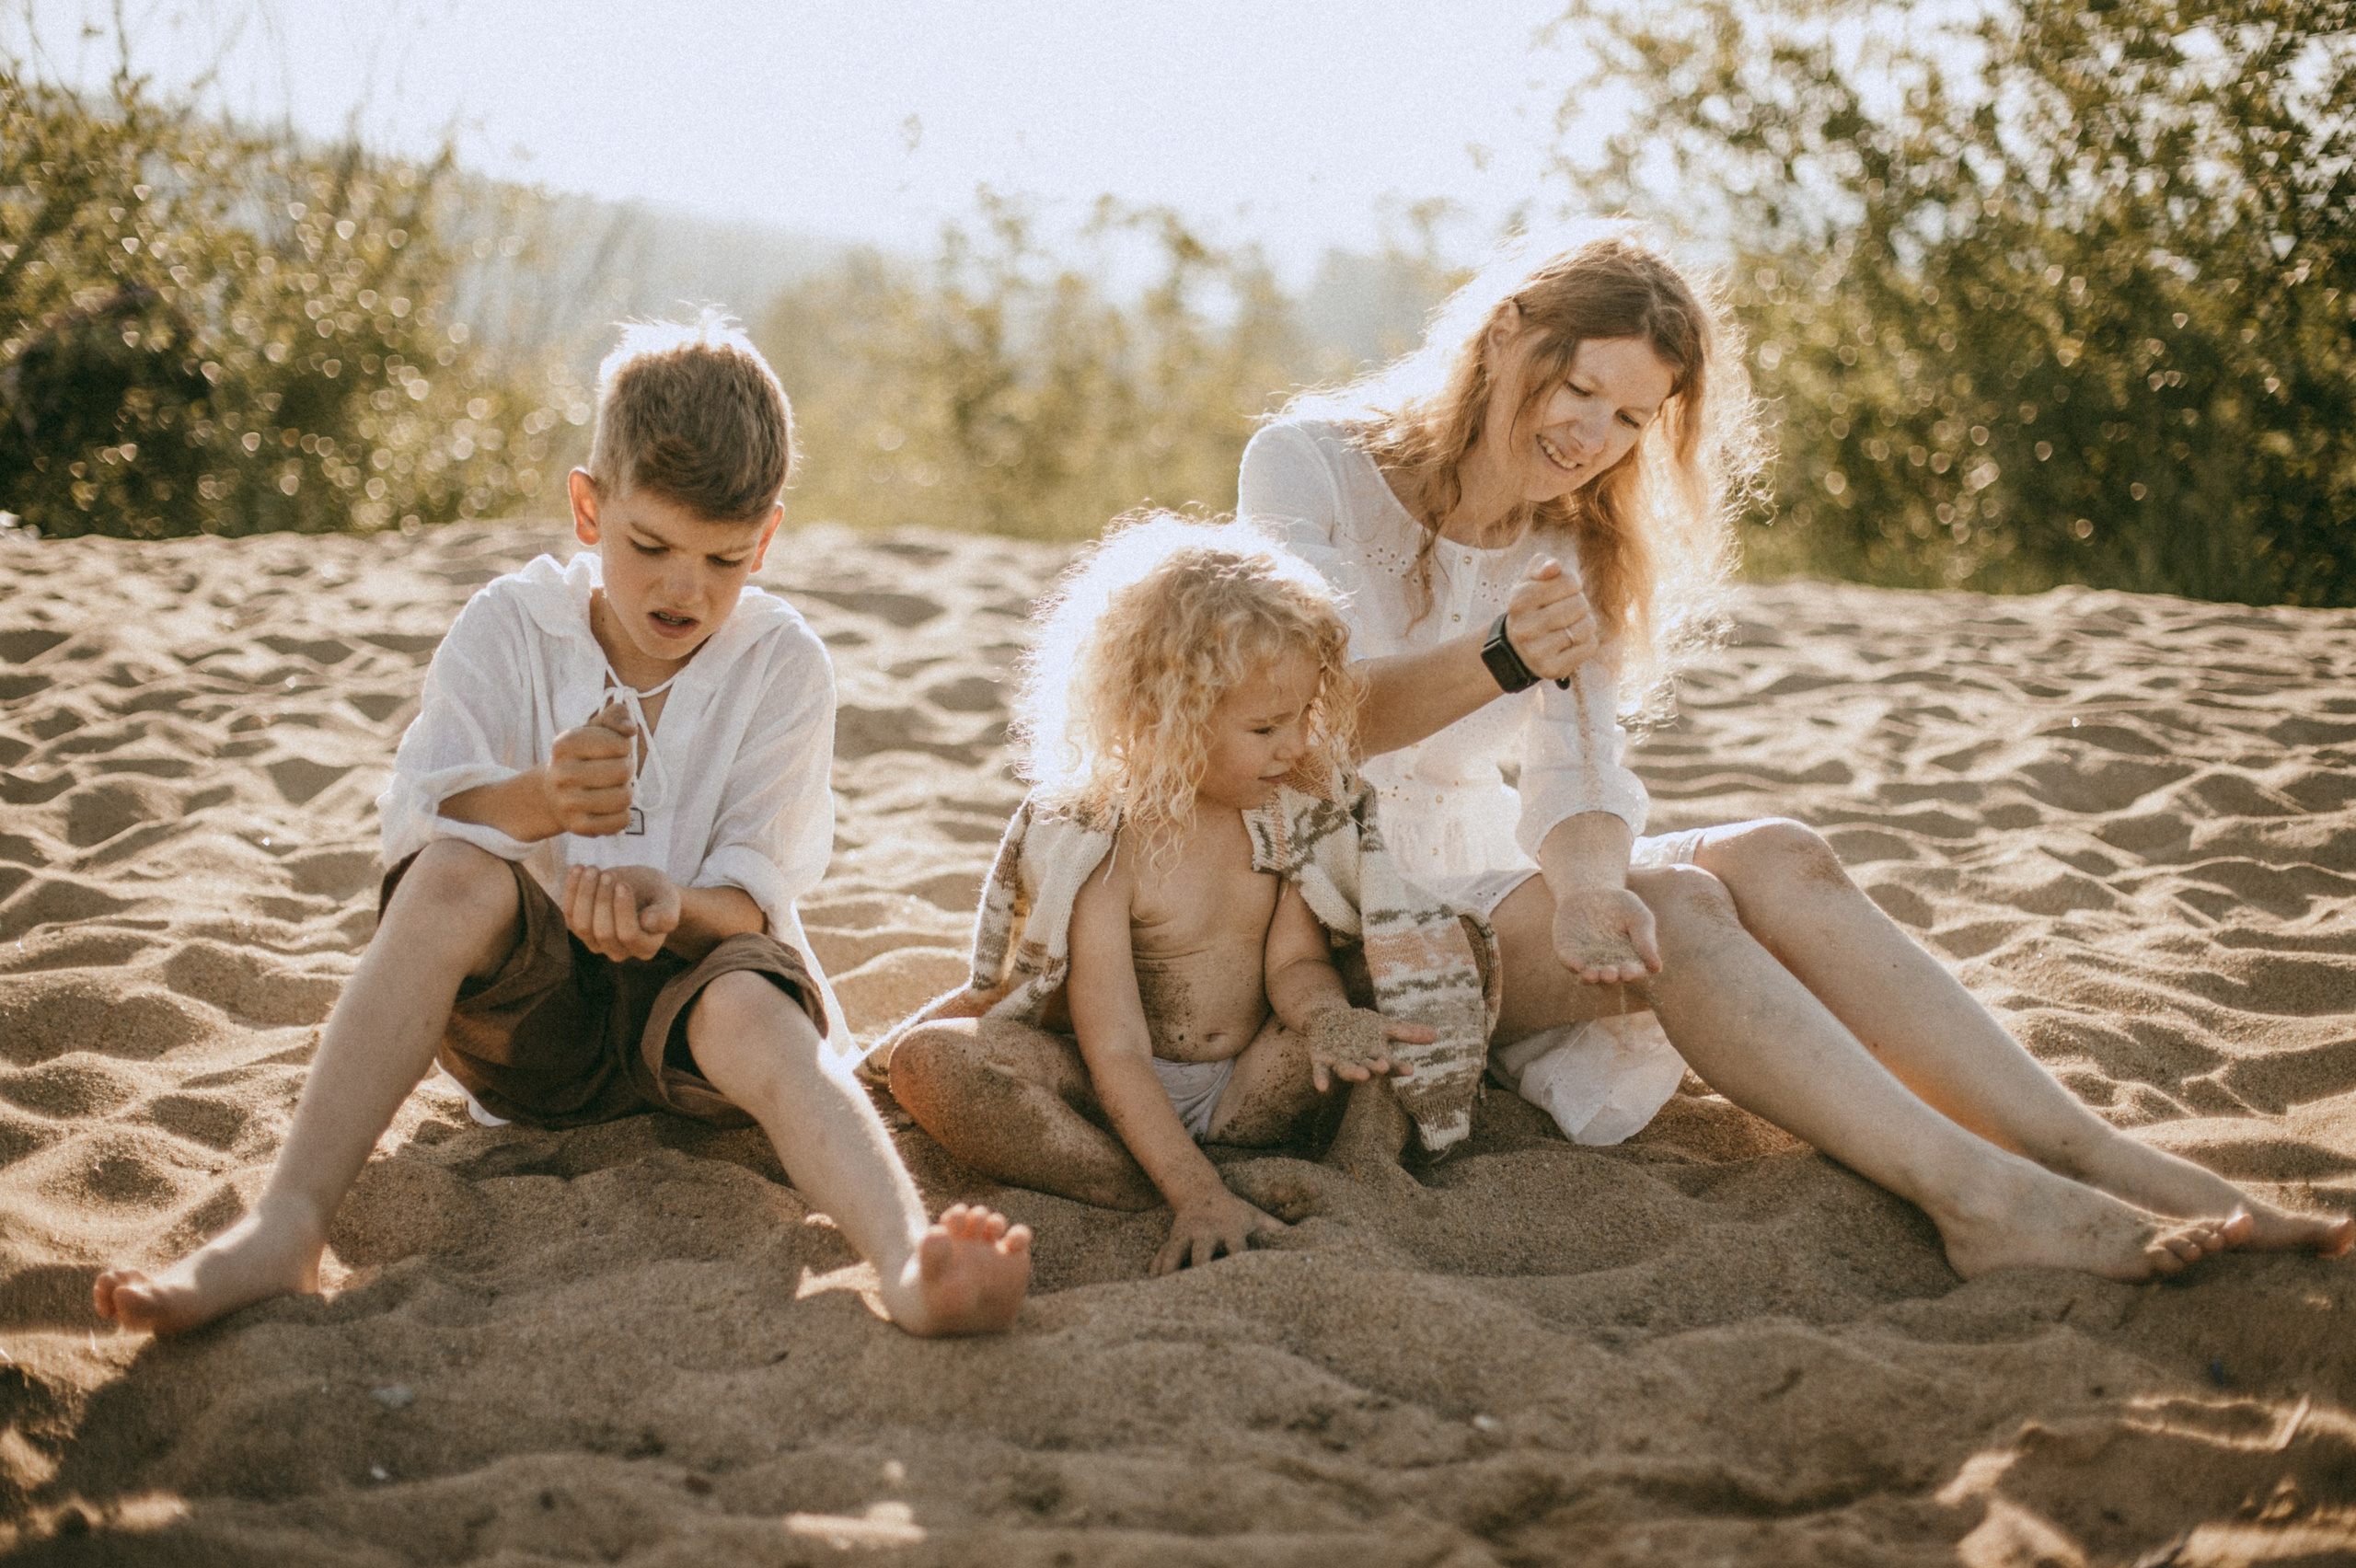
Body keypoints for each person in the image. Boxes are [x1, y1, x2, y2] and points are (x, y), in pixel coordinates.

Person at [1236, 224, 2352, 1280]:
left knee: (1777, 851)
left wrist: (1581, 889)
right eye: (1580, 388)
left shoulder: (1579, 539)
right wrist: (1498, 656)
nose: (1591, 438)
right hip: (1319, 897)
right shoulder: (1309, 466)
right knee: (1677, 905)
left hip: (1475, 866)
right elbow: (1299, 726)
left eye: (1631, 418)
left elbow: (1580, 767)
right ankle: (1978, 1200)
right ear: (1506, 334)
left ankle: (2095, 1155)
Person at [94, 315, 1032, 1337]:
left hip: (697, 1042)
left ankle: (905, 1261)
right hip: (530, 1036)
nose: (684, 588)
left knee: (752, 1004)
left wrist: (668, 903)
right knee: (451, 875)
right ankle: (286, 1225)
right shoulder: (511, 626)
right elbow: (420, 819)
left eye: (723, 560)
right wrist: (538, 800)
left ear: (765, 540)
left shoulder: (782, 666)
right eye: (651, 546)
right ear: (590, 508)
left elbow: (751, 902)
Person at [884, 516, 1488, 1275]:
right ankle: (1145, 1184)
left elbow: (1295, 964)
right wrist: (1194, 1195)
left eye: (1305, 715)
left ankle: (1359, 1173)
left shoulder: (1289, 813)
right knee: (928, 1061)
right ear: (1161, 721)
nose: (1298, 745)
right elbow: (1117, 1047)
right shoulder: (1107, 842)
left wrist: (1328, 1017)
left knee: (1422, 974)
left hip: (1255, 1084)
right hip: (1112, 1092)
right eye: (1266, 726)